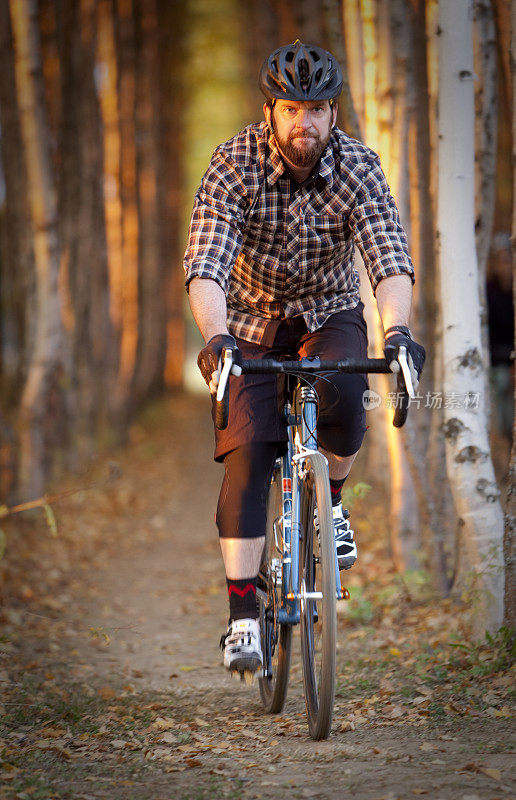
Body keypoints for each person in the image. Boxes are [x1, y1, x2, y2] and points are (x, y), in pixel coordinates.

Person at [184, 41, 425, 677]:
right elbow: (206, 264)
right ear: (271, 112)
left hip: (330, 313)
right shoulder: (233, 164)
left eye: (317, 109)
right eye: (292, 109)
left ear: (333, 113)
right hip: (251, 326)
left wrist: (397, 330)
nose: (305, 122)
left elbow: (389, 257)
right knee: (249, 451)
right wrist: (216, 338)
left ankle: (333, 502)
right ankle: (242, 615)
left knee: (345, 399)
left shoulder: (358, 169)